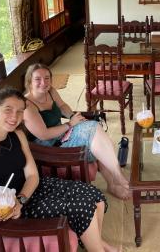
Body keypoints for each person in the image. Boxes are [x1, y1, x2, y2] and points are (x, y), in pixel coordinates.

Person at [0, 87, 120, 252]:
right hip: (8, 213)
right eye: (8, 109)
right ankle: (97, 248)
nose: (14, 117)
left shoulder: (17, 135)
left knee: (95, 196)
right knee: (83, 207)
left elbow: (32, 175)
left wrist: (22, 198)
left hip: (27, 195)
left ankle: (94, 242)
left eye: (19, 111)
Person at [22, 63, 130, 200]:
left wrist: (72, 116)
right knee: (93, 133)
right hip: (49, 150)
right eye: (38, 79)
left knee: (96, 132)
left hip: (62, 136)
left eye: (47, 78)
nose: (43, 82)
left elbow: (62, 105)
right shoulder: (27, 105)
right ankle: (117, 177)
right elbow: (43, 134)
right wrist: (69, 124)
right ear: (29, 81)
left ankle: (114, 182)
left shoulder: (51, 91)